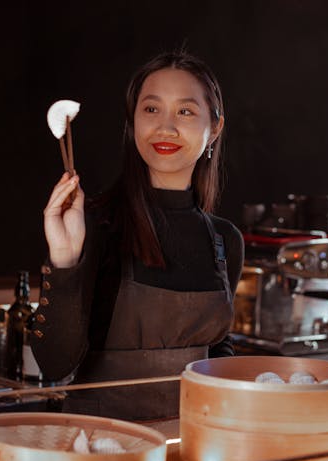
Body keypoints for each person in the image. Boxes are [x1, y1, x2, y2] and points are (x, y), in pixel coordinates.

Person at [30, 50, 244, 420]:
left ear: (215, 129)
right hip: (102, 444)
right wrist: (65, 260)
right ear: (132, 122)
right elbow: (53, 365)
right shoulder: (95, 223)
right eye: (151, 109)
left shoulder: (225, 240)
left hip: (195, 440)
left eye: (186, 111)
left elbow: (217, 350)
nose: (166, 127)